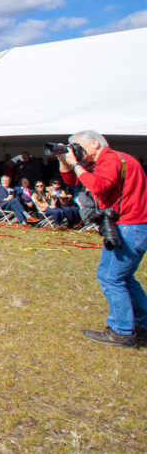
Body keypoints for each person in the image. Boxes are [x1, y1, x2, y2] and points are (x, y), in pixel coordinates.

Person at [59, 130, 147, 347]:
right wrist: (64, 159)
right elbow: (71, 178)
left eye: (78, 147)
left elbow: (97, 186)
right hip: (133, 226)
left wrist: (76, 164)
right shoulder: (113, 159)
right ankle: (143, 325)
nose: (76, 152)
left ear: (95, 144)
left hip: (129, 227)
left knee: (110, 277)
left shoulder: (111, 159)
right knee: (125, 278)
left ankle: (122, 331)